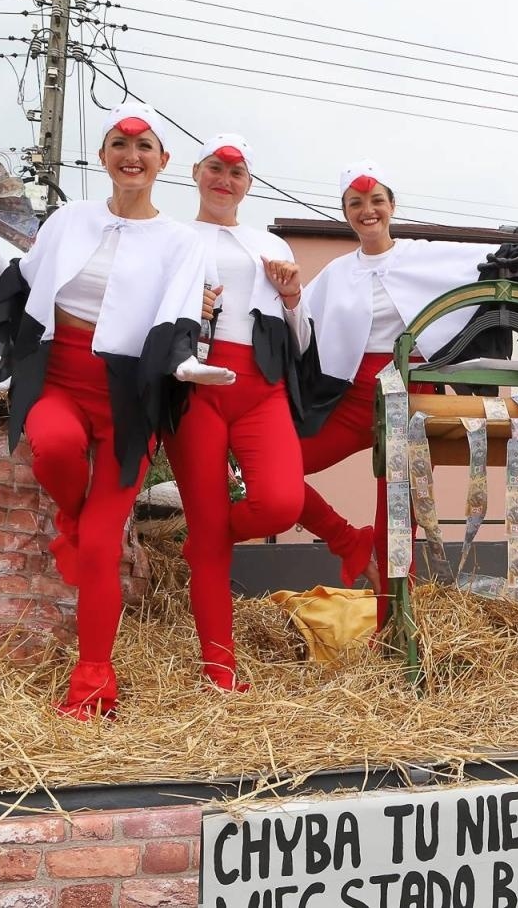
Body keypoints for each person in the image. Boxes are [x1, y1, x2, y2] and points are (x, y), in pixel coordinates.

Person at [0, 101, 233, 719]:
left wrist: (187, 365)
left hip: (129, 398)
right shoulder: (69, 220)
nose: (132, 157)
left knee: (102, 546)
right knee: (51, 444)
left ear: (163, 161)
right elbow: (18, 286)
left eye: (145, 147)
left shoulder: (182, 241)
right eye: (120, 146)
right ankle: (70, 522)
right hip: (61, 380)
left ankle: (94, 681)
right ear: (102, 158)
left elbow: (183, 316)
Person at [292, 161, 518, 599]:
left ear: (392, 206)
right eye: (355, 203)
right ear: (345, 211)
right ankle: (348, 541)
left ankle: (390, 633)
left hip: (414, 395)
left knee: (397, 523)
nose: (367, 210)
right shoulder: (334, 274)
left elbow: (500, 254)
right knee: (280, 473)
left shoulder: (424, 254)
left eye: (376, 201)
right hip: (352, 399)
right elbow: (295, 324)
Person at [161, 134, 310, 692]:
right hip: (195, 384)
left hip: (260, 385)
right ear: (196, 173)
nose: (225, 179)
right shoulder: (171, 237)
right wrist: (182, 309)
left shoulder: (270, 243)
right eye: (216, 168)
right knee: (210, 536)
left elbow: (300, 338)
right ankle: (219, 672)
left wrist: (293, 297)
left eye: (237, 172)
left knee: (280, 502)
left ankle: (206, 537)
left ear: (249, 183)